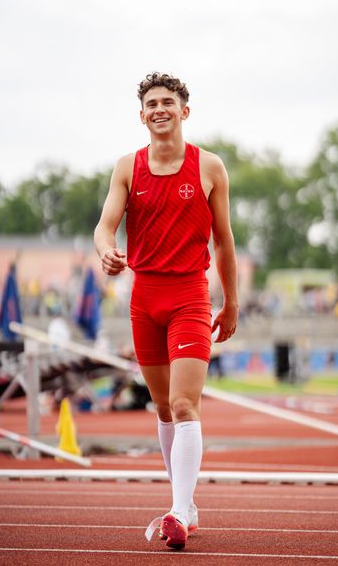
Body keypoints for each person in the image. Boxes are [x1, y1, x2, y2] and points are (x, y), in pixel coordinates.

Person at [94, 72, 238, 550]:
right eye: (151, 104)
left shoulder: (210, 167)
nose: (160, 110)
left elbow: (224, 240)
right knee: (161, 407)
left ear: (184, 111)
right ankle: (188, 505)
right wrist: (106, 249)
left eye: (168, 103)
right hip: (144, 300)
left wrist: (231, 300)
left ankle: (178, 511)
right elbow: (104, 227)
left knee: (183, 404)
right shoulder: (126, 168)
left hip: (190, 297)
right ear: (142, 116)